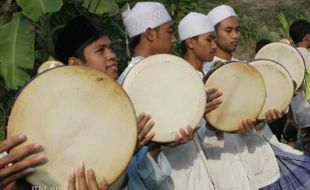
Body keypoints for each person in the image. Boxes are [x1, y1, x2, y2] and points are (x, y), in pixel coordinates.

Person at [205, 5, 310, 190]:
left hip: (262, 156)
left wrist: (264, 118)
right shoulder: (207, 76)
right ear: (213, 34)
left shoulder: (248, 68)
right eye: (228, 30)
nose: (235, 35)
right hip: (229, 163)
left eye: (237, 30)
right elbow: (210, 128)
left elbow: (257, 114)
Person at [158, 12, 219, 189]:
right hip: (180, 174)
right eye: (209, 39)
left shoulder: (211, 77)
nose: (214, 46)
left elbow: (210, 139)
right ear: (190, 42)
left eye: (214, 39)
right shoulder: (176, 78)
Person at [289, 19, 310, 156]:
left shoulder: (288, 58)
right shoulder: (308, 57)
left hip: (300, 119)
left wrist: (290, 117)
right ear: (307, 37)